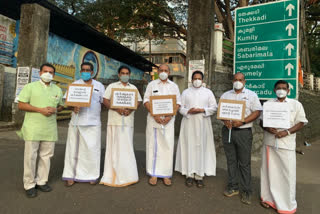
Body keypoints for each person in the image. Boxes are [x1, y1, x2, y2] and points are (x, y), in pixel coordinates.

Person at [260, 80, 307, 214]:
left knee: (287, 174)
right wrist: (268, 128)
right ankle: (268, 199)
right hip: (270, 142)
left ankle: (287, 205)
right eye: (278, 88)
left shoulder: (296, 104)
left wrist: (286, 132)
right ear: (274, 90)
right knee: (269, 172)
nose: (281, 90)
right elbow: (262, 122)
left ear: (288, 90)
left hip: (286, 144)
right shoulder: (268, 104)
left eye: (284, 88)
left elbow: (301, 122)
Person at [18, 63, 64, 198]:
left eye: (51, 72)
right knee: (30, 157)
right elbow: (21, 105)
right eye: (45, 71)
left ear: (54, 75)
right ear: (40, 73)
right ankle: (29, 184)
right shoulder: (30, 87)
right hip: (33, 127)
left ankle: (41, 181)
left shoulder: (57, 90)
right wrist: (40, 109)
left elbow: (61, 106)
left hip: (49, 128)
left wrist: (55, 109)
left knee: (46, 156)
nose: (48, 74)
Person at [220, 72, 262, 205]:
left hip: (244, 132)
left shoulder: (251, 95)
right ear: (232, 81)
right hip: (228, 131)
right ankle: (233, 186)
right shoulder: (226, 95)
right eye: (235, 80)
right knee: (231, 160)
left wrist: (243, 121)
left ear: (244, 82)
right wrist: (225, 120)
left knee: (244, 163)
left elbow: (257, 112)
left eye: (240, 80)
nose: (237, 82)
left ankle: (246, 191)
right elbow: (221, 112)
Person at [62, 62, 105, 186]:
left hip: (93, 122)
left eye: (88, 70)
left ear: (92, 72)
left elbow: (104, 102)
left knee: (92, 150)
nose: (85, 72)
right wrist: (72, 107)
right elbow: (67, 102)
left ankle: (92, 175)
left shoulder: (99, 86)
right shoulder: (75, 85)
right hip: (77, 122)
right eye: (83, 70)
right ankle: (71, 175)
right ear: (81, 72)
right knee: (73, 149)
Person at [100, 65, 142, 187]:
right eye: (122, 73)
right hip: (114, 121)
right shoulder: (112, 87)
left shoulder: (133, 88)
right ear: (119, 75)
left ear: (129, 75)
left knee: (126, 147)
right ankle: (111, 174)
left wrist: (131, 109)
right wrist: (116, 108)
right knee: (113, 148)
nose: (125, 75)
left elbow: (139, 101)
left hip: (128, 122)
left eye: (127, 73)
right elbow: (105, 100)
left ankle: (128, 175)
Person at [175, 71, 217, 188]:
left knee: (201, 147)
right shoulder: (185, 92)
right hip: (188, 123)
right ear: (191, 80)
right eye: (195, 78)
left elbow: (214, 107)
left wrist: (202, 110)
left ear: (202, 80)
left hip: (203, 124)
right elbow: (180, 108)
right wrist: (188, 111)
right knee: (189, 146)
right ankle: (189, 174)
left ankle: (199, 175)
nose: (197, 80)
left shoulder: (208, 93)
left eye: (199, 78)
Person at [144, 64, 181, 186]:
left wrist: (170, 116)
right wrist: (155, 115)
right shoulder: (152, 85)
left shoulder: (174, 86)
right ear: (157, 71)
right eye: (161, 70)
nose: (163, 72)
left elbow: (178, 103)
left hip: (169, 121)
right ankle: (153, 173)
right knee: (153, 146)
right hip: (154, 120)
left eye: (165, 70)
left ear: (169, 72)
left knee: (167, 146)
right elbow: (146, 101)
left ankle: (166, 174)